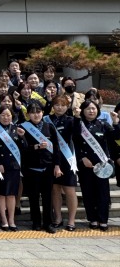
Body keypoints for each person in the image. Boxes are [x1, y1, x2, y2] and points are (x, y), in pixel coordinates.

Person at [73, 100, 120, 231]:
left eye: (93, 108)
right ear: (83, 110)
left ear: (98, 110)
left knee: (103, 193)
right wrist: (82, 158)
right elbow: (74, 142)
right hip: (85, 164)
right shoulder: (78, 124)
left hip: (102, 165)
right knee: (88, 192)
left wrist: (116, 122)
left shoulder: (103, 124)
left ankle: (103, 219)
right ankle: (92, 218)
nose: (91, 111)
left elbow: (116, 137)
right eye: (88, 108)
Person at [22, 101, 57, 233]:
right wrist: (35, 147)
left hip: (48, 168)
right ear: (28, 114)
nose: (36, 115)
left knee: (48, 197)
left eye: (38, 112)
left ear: (43, 113)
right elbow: (22, 148)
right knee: (33, 197)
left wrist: (57, 165)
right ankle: (36, 222)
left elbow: (56, 148)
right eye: (32, 113)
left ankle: (48, 223)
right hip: (31, 168)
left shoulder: (49, 127)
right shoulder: (23, 127)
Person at [0, 105, 27, 231]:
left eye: (8, 115)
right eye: (3, 115)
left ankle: (11, 220)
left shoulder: (16, 129)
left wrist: (22, 137)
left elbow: (24, 148)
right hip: (1, 166)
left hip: (13, 166)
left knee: (11, 194)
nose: (6, 117)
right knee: (1, 194)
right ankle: (4, 220)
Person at [49, 95, 78, 231]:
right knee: (55, 189)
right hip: (52, 159)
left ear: (67, 107)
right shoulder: (47, 120)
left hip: (67, 159)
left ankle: (71, 221)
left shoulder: (71, 120)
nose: (59, 107)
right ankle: (58, 218)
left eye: (63, 105)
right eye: (57, 105)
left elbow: (77, 134)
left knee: (69, 190)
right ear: (52, 106)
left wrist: (77, 117)